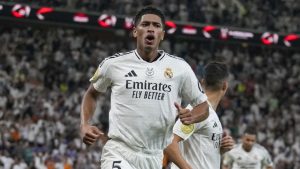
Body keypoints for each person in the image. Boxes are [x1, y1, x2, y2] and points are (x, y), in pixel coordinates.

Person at [80, 6, 209, 169]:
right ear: (135, 31)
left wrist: (192, 116)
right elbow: (92, 94)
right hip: (119, 150)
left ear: (162, 35)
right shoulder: (113, 64)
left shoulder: (180, 68)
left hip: (154, 156)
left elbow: (204, 106)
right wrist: (85, 124)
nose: (151, 29)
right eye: (145, 24)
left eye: (156, 26)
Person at [164, 61, 235, 169]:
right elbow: (169, 143)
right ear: (225, 86)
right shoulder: (197, 111)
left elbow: (201, 153)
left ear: (202, 83)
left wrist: (220, 150)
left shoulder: (208, 113)